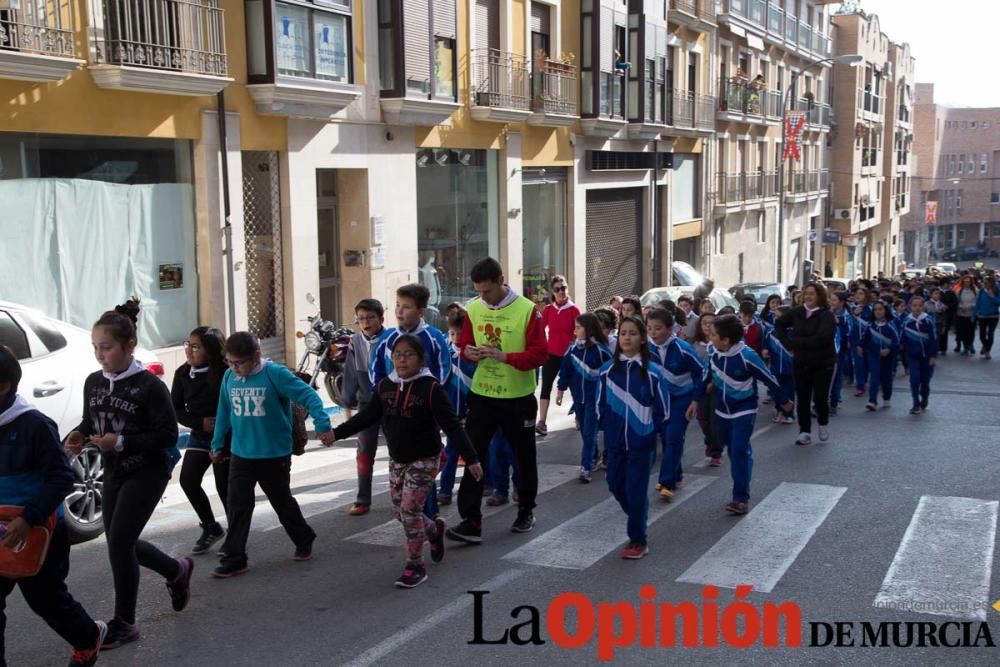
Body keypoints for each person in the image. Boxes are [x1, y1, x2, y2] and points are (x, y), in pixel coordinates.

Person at [64, 301, 191, 650]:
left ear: (128, 346)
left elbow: (167, 435)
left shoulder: (149, 386)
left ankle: (126, 623)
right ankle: (176, 570)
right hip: (114, 470)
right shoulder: (93, 382)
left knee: (119, 542)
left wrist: (120, 442)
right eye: (95, 348)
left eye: (106, 348)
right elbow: (92, 421)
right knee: (121, 541)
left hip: (149, 470)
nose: (99, 355)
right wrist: (78, 435)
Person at [331, 335, 483, 588]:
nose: (402, 359)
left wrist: (472, 458)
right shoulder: (385, 387)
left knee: (410, 511)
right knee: (401, 513)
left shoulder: (431, 388)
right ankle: (434, 531)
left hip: (425, 458)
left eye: (409, 354)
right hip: (398, 460)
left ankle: (415, 565)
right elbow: (365, 418)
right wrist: (336, 433)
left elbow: (452, 425)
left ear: (421, 359)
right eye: (397, 354)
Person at [0, 346, 107, 666]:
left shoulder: (34, 425)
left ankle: (88, 638)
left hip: (41, 531)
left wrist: (29, 518)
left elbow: (61, 478)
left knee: (46, 600)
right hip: (2, 530)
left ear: (3, 386)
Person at [210, 332, 334, 578]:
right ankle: (235, 557)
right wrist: (217, 443)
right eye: (230, 362)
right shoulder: (229, 377)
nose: (235, 368)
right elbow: (223, 411)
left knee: (281, 501)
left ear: (256, 356)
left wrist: (322, 424)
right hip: (241, 454)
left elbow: (307, 395)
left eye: (240, 362)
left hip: (273, 454)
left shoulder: (274, 374)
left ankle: (303, 536)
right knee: (238, 505)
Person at [446, 258, 548, 544]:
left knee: (523, 457)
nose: (482, 297)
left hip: (518, 397)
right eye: (478, 291)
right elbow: (463, 343)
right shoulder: (475, 308)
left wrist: (507, 358)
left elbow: (541, 354)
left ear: (502, 280)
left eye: (487, 291)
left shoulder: (527, 310)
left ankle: (526, 510)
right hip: (483, 394)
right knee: (473, 456)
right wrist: (470, 353)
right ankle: (470, 521)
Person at [702, 315, 792, 514]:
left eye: (714, 334)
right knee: (734, 450)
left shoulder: (747, 355)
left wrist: (784, 401)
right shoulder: (712, 351)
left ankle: (740, 497)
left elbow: (768, 378)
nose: (710, 335)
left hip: (745, 408)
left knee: (739, 449)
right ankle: (744, 464)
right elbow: (706, 374)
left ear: (726, 340)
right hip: (721, 410)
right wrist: (698, 396)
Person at [597, 316, 667, 559]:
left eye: (633, 333)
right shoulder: (607, 371)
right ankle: (639, 515)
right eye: (623, 333)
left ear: (643, 338)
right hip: (615, 442)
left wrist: (650, 430)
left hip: (641, 443)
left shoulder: (652, 372)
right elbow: (600, 405)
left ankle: (638, 539)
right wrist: (604, 427)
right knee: (615, 485)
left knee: (636, 491)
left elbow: (663, 409)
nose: (627, 338)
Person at [171, 327, 230, 554]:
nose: (189, 351)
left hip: (226, 438)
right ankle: (211, 527)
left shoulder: (226, 372)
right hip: (200, 436)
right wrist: (199, 423)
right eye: (188, 345)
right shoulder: (182, 374)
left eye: (196, 347)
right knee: (188, 480)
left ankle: (235, 534)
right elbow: (176, 408)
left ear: (211, 350)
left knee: (224, 488)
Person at [646, 310, 705, 502]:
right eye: (649, 328)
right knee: (665, 437)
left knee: (674, 436)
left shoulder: (683, 348)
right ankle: (676, 473)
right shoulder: (646, 348)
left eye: (658, 328)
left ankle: (667, 482)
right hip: (660, 400)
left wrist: (696, 400)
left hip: (682, 399)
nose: (653, 333)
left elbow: (700, 374)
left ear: (670, 329)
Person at [341, 298, 390, 516]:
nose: (366, 322)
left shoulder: (392, 339)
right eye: (361, 319)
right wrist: (347, 399)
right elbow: (350, 372)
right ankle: (363, 499)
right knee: (364, 451)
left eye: (370, 317)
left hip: (391, 403)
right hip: (367, 404)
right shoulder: (355, 342)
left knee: (399, 451)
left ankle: (402, 495)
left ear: (381, 319)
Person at [774, 284, 838, 446]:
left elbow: (822, 339)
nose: (808, 296)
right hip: (801, 362)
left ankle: (823, 423)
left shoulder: (826, 316)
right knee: (802, 397)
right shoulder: (796, 312)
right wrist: (787, 342)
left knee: (820, 397)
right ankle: (804, 431)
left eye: (812, 294)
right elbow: (780, 324)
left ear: (819, 296)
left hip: (823, 363)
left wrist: (796, 342)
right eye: (806, 293)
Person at [555, 314, 613, 483]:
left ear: (589, 329)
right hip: (577, 399)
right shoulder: (572, 349)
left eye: (578, 328)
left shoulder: (601, 351)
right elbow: (565, 370)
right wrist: (560, 389)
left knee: (589, 433)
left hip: (593, 401)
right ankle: (594, 456)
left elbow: (612, 371)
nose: (575, 331)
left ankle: (585, 468)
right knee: (584, 431)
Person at [371, 284, 451, 388]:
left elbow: (444, 369)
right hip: (391, 399)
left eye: (406, 307)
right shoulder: (387, 337)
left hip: (424, 399)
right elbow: (375, 369)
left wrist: (431, 393)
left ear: (421, 312)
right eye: (398, 305)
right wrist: (381, 393)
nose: (399, 311)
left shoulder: (434, 337)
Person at [536, 275, 580, 437]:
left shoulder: (574, 309)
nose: (561, 291)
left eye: (563, 288)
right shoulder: (548, 310)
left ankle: (579, 416)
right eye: (557, 289)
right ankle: (542, 421)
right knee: (546, 386)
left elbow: (579, 333)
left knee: (574, 387)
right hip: (551, 355)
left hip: (569, 356)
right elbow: (540, 330)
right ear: (552, 292)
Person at [691, 313, 722, 466]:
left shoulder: (720, 345)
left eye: (711, 323)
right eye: (704, 323)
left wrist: (714, 382)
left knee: (715, 421)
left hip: (716, 388)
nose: (707, 326)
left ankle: (716, 452)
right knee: (702, 419)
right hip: (699, 388)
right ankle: (709, 441)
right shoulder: (694, 345)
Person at [859, 302, 900, 411]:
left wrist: (889, 349)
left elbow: (896, 341)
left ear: (885, 310)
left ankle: (886, 397)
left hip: (888, 356)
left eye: (880, 309)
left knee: (886, 378)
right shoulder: (870, 325)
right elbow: (864, 338)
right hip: (873, 354)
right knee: (874, 376)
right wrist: (860, 346)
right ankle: (872, 401)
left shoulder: (891, 325)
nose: (878, 311)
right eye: (876, 309)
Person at [902, 296, 936, 415]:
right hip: (913, 356)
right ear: (910, 307)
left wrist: (932, 356)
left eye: (919, 306)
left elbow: (933, 339)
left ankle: (924, 398)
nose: (917, 308)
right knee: (914, 379)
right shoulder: (906, 321)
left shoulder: (928, 320)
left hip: (927, 356)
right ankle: (915, 403)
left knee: (925, 381)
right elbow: (903, 338)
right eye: (914, 306)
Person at [763, 306, 796, 425]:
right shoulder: (771, 332)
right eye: (774, 316)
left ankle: (790, 414)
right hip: (776, 367)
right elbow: (766, 344)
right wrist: (765, 350)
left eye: (778, 316)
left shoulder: (793, 331)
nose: (775, 319)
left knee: (789, 391)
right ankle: (779, 410)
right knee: (777, 389)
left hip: (790, 367)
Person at [828, 292, 852, 416]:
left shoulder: (846, 316)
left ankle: (833, 402)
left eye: (834, 300)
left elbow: (848, 334)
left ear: (842, 302)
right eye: (831, 300)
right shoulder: (827, 313)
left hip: (839, 350)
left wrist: (837, 322)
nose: (832, 302)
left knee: (836, 376)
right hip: (826, 349)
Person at [850, 287, 873, 396]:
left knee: (867, 364)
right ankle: (860, 385)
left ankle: (865, 381)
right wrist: (854, 314)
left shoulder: (871, 309)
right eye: (857, 294)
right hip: (855, 341)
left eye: (861, 294)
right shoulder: (851, 308)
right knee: (858, 364)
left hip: (868, 342)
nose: (858, 296)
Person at [973, 276, 1000, 360]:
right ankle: (985, 345)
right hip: (982, 316)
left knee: (990, 334)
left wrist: (992, 296)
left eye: (986, 282)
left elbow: (998, 303)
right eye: (984, 282)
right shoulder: (981, 291)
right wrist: (974, 314)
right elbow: (977, 303)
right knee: (982, 335)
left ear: (991, 283)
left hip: (993, 316)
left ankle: (988, 351)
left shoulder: (997, 290)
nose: (984, 284)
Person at [954, 275, 978, 356]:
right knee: (963, 331)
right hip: (962, 313)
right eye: (965, 281)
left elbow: (977, 302)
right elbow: (956, 302)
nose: (966, 283)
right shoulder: (959, 291)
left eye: (968, 281)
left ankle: (970, 344)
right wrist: (960, 307)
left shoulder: (975, 291)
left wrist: (972, 306)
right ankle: (965, 347)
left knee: (971, 331)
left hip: (971, 314)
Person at [926, 288, 948, 356]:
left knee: (936, 340)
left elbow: (944, 317)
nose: (938, 295)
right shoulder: (926, 304)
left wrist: (944, 326)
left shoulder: (942, 305)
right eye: (935, 293)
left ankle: (934, 353)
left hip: (938, 325)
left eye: (938, 293)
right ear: (931, 295)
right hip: (929, 324)